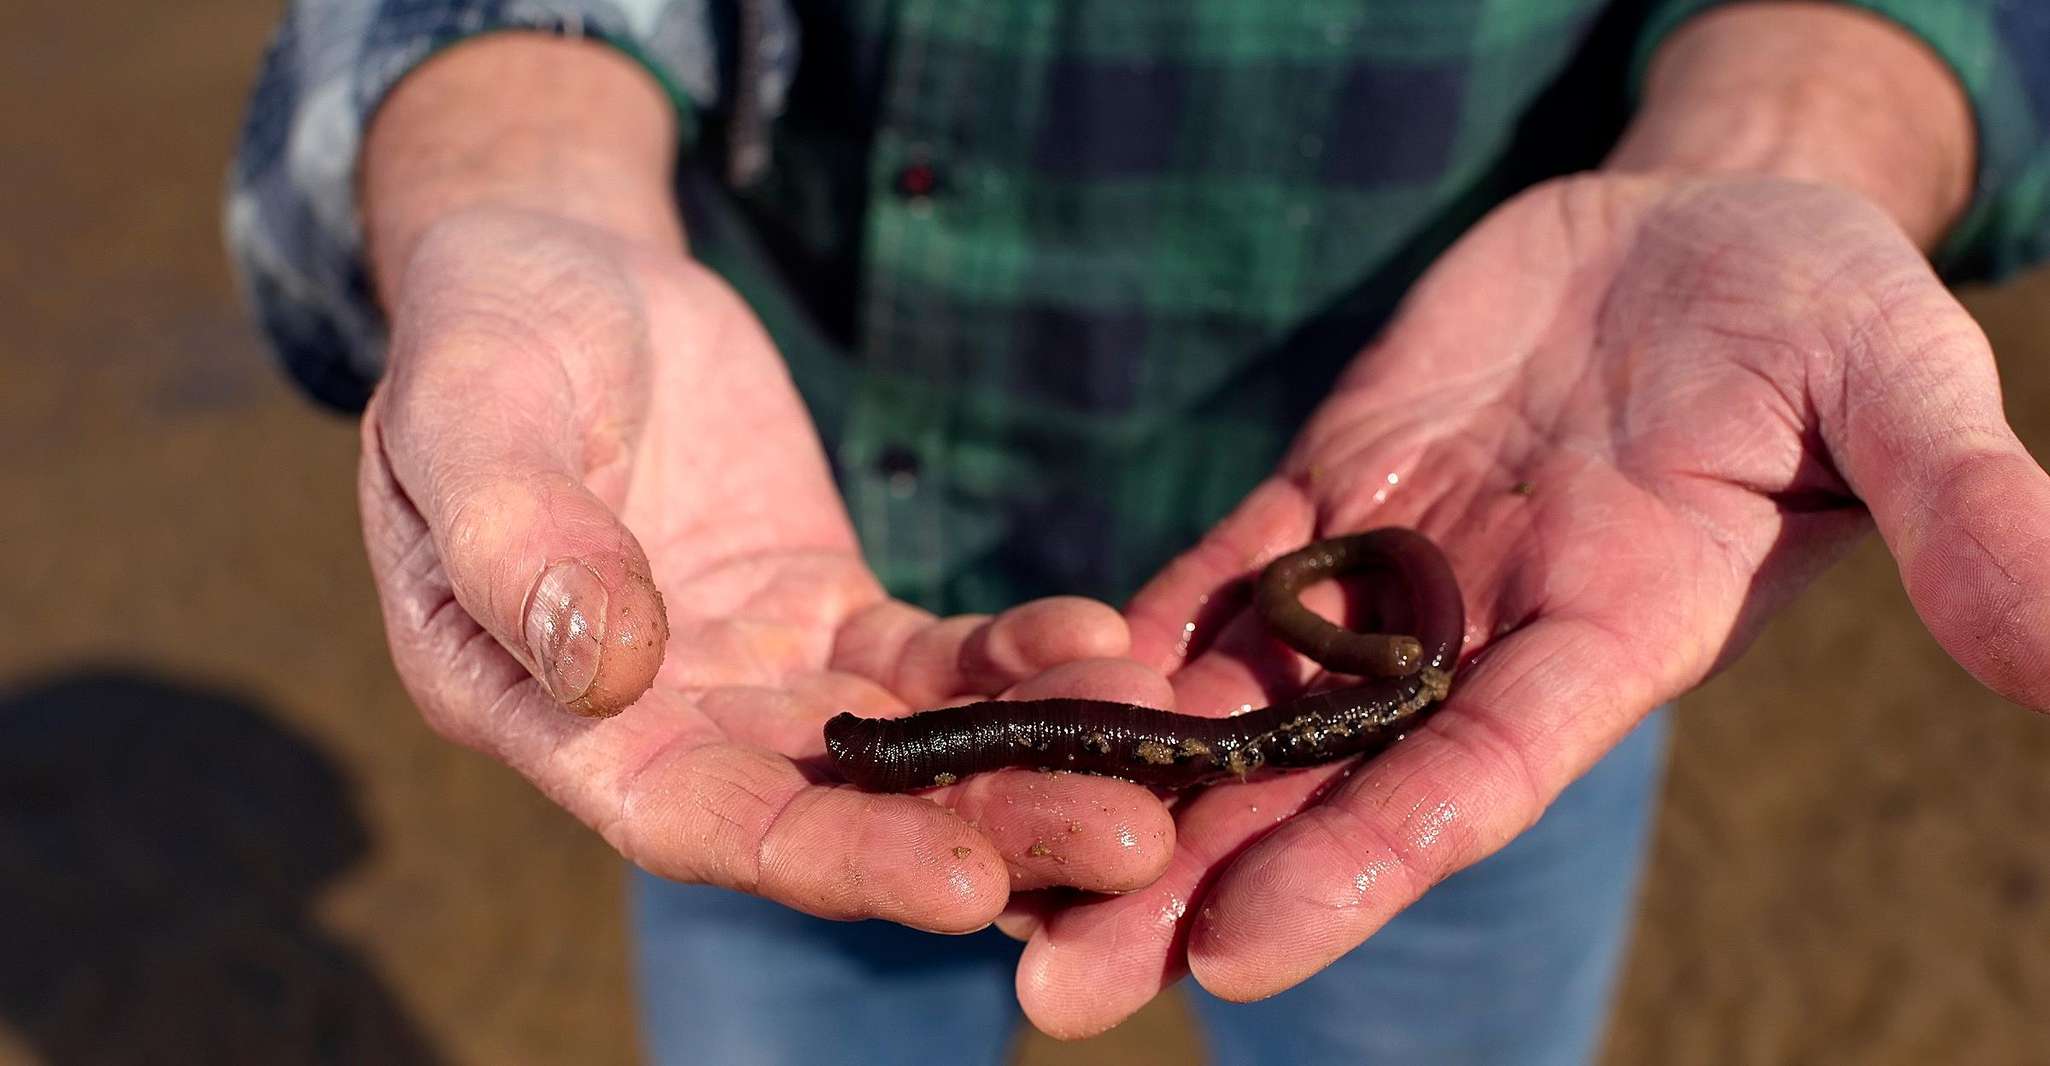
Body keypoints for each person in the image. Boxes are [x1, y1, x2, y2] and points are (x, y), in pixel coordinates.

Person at [228, 1, 2050, 1062]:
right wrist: (519, 151)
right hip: (752, 583)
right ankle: (893, 755)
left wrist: (1804, 118)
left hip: (1514, 558)